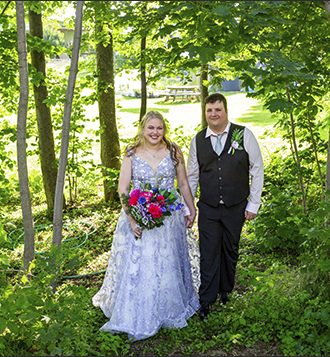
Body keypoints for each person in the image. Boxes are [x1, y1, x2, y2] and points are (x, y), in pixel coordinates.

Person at [92, 111, 201, 340]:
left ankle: (167, 306)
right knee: (141, 261)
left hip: (168, 216)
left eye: (159, 128)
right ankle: (138, 306)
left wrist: (192, 208)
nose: (155, 132)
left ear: (164, 130)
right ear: (143, 128)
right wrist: (131, 219)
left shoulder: (173, 152)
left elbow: (182, 183)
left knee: (168, 259)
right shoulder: (131, 153)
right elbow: (123, 189)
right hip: (138, 214)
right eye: (150, 128)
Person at [187, 93, 264, 320]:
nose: (213, 114)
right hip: (209, 207)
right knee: (208, 252)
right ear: (205, 113)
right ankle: (206, 299)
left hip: (236, 206)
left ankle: (225, 291)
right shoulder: (198, 140)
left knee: (230, 250)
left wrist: (254, 203)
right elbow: (192, 176)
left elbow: (257, 169)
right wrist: (189, 208)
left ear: (226, 111)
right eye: (209, 111)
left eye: (218, 110)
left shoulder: (243, 134)